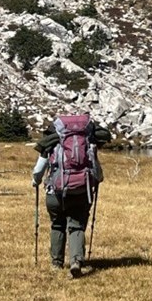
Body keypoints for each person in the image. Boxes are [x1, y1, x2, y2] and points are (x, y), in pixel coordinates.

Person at [32, 113, 107, 278]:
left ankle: (56, 263)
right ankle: (76, 261)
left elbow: (38, 170)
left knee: (57, 225)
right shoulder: (87, 142)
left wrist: (35, 181)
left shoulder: (52, 141)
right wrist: (98, 179)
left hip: (55, 192)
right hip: (82, 190)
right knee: (77, 225)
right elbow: (95, 167)